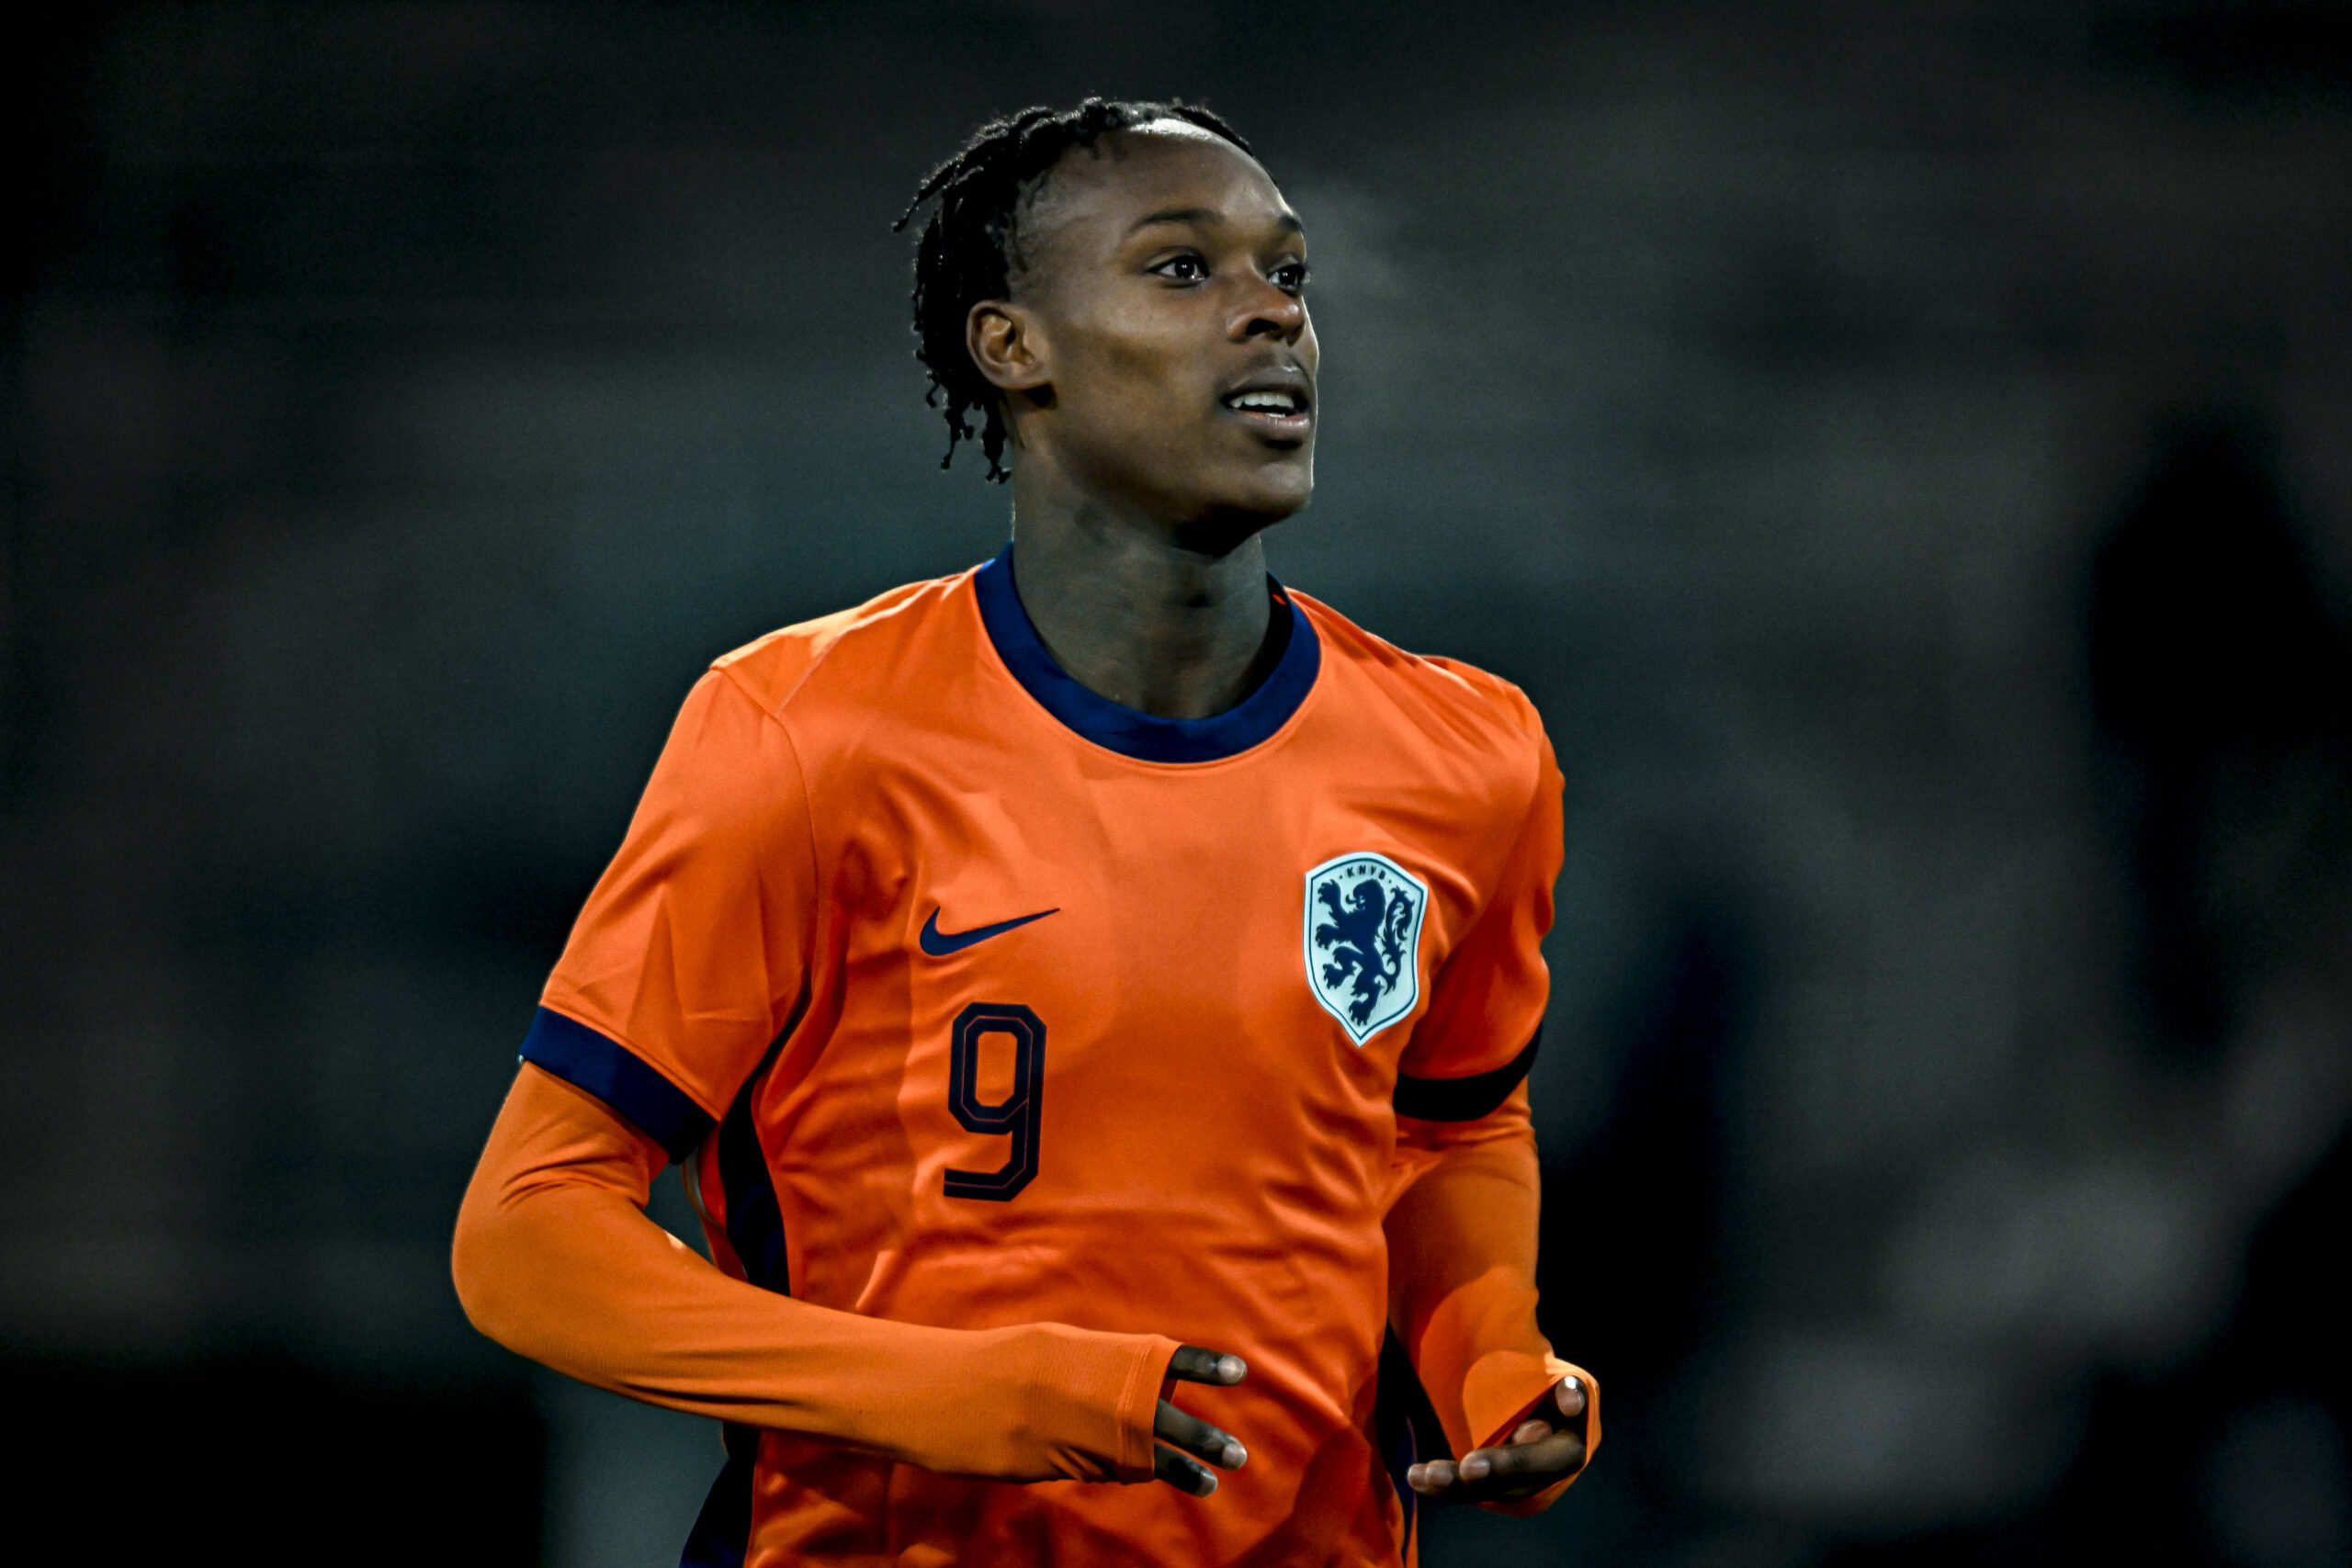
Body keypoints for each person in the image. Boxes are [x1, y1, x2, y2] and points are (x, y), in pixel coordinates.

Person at [452, 96, 1596, 1567]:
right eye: (1184, 270)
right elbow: (528, 1237)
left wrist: (1493, 1357)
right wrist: (950, 1394)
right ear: (1013, 347)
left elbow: (1448, 1134)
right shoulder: (805, 731)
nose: (1271, 319)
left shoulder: (1468, 750)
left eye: (1288, 276)